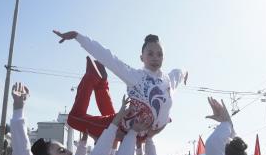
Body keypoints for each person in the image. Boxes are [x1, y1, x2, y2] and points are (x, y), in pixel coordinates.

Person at [53, 30, 188, 138]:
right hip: (120, 128)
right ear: (142, 57)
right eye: (150, 54)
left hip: (136, 133)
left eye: (159, 54)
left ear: (163, 58)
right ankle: (92, 78)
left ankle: (101, 83)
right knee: (73, 120)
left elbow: (180, 72)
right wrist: (78, 37)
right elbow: (110, 59)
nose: (155, 58)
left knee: (113, 131)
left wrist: (186, 72)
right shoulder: (136, 77)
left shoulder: (168, 80)